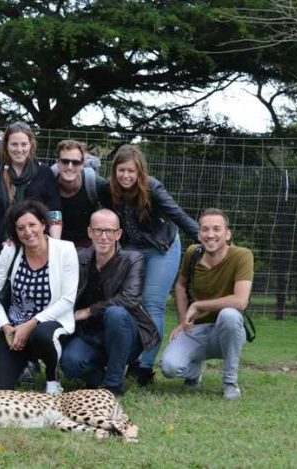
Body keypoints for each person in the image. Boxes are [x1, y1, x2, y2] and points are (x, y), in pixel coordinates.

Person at [103, 144, 199, 386]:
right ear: (114, 170)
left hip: (161, 247)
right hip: (131, 249)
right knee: (128, 303)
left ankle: (144, 367)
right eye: (121, 170)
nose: (126, 176)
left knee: (152, 304)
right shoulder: (107, 189)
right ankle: (131, 358)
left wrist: (205, 239)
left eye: (131, 171)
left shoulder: (153, 188)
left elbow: (177, 215)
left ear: (140, 172)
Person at [60, 209, 160, 396]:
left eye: (109, 231)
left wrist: (89, 311)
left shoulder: (133, 259)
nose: (104, 236)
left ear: (118, 234)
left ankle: (114, 385)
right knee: (70, 364)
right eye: (98, 230)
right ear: (90, 232)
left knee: (115, 313)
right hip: (90, 333)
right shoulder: (78, 258)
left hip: (125, 332)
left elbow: (130, 299)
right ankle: (99, 375)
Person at [0, 200, 78, 393]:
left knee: (42, 333)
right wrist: (6, 326)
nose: (27, 232)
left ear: (43, 224)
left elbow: (68, 300)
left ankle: (52, 379)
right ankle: (25, 363)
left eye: (32, 224)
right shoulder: (10, 250)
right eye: (20, 228)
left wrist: (30, 324)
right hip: (15, 327)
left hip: (50, 325)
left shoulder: (66, 249)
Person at [160, 208, 254, 400]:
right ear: (199, 234)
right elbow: (180, 285)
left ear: (227, 234)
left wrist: (198, 306)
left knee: (229, 314)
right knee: (169, 367)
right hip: (197, 328)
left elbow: (240, 301)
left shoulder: (242, 256)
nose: (210, 235)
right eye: (205, 229)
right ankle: (194, 372)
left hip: (228, 331)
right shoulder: (193, 253)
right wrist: (182, 320)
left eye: (217, 229)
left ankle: (230, 382)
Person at [0, 122, 62, 272]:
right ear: (6, 145)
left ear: (30, 145)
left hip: (36, 249)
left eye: (23, 144)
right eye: (14, 144)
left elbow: (54, 212)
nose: (19, 149)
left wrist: (54, 247)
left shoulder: (44, 174)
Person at [50, 139, 106, 248]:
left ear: (82, 164)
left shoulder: (96, 185)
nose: (70, 166)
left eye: (75, 162)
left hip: (87, 246)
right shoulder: (46, 183)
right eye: (65, 161)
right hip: (53, 243)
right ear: (57, 162)